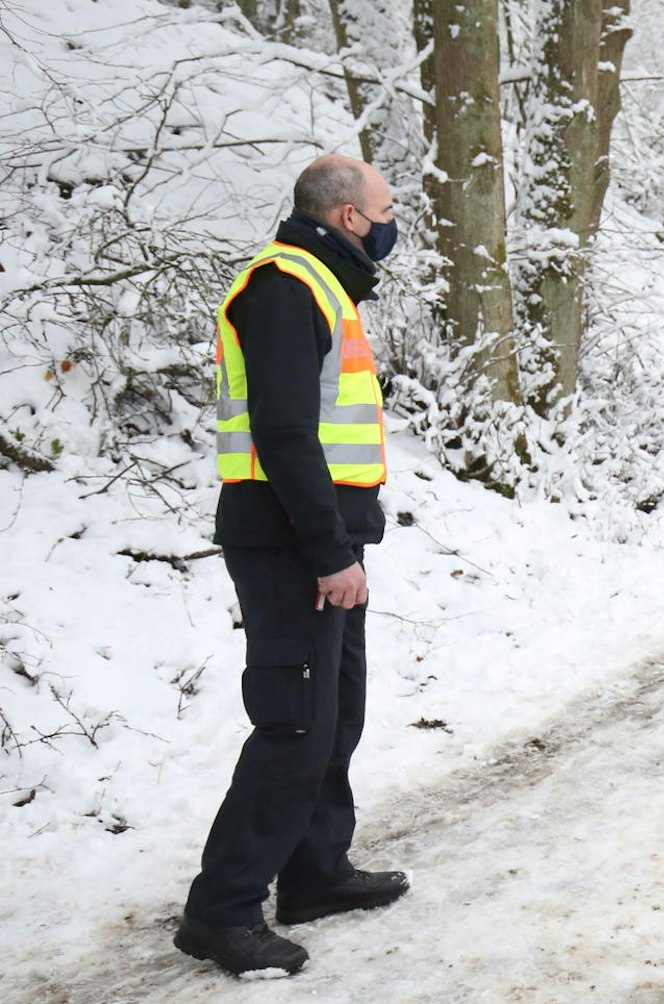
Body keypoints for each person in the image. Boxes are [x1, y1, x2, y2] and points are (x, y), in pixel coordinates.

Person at [177, 154, 410, 976]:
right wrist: (326, 551)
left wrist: (342, 541)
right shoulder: (286, 287)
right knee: (295, 725)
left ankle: (313, 872)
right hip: (288, 542)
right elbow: (282, 434)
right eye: (385, 208)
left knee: (334, 714)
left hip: (319, 537)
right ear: (349, 216)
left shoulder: (320, 283)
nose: (391, 222)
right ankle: (223, 910)